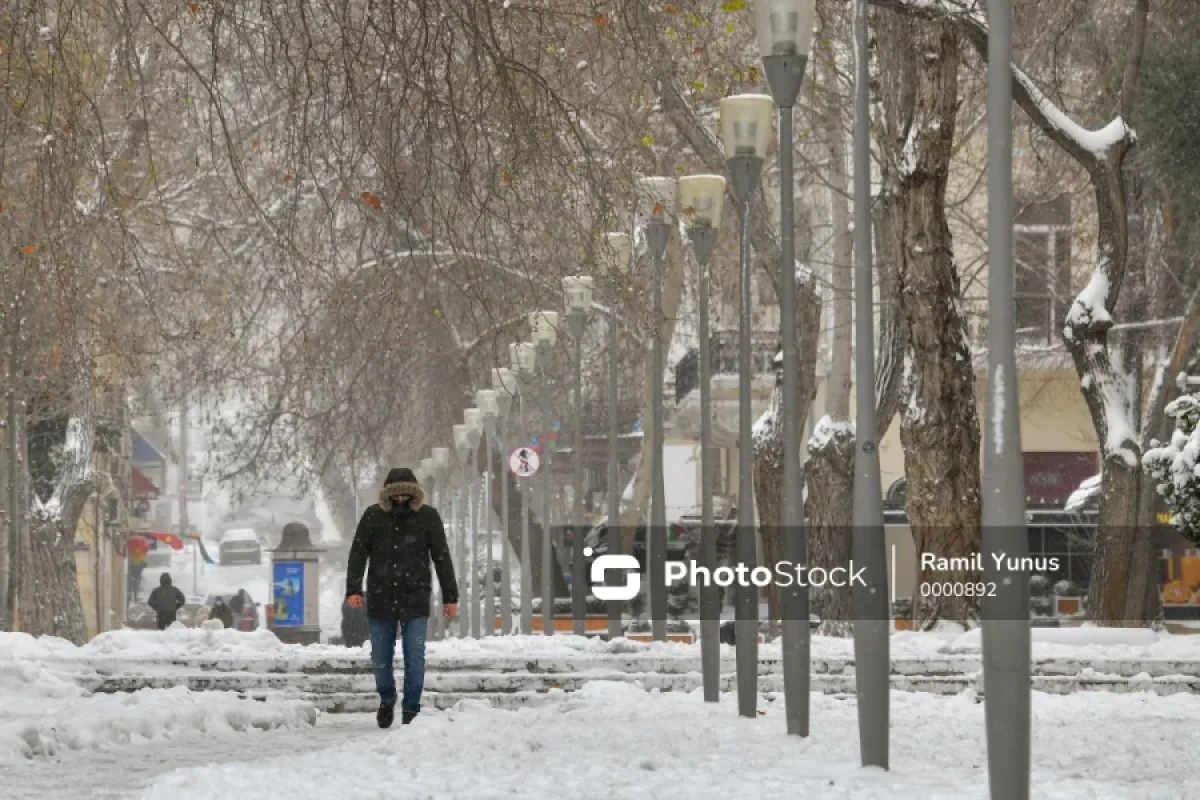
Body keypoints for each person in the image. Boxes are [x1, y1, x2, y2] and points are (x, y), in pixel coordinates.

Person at [346, 467, 458, 729]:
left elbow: (441, 557)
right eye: (395, 496)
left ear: (413, 494)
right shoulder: (373, 517)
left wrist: (450, 596)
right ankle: (387, 698)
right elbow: (358, 554)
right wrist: (353, 589)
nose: (400, 500)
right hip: (380, 598)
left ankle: (411, 708)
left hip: (415, 599)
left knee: (415, 654)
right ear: (387, 496)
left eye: (405, 495)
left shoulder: (427, 518)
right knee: (380, 658)